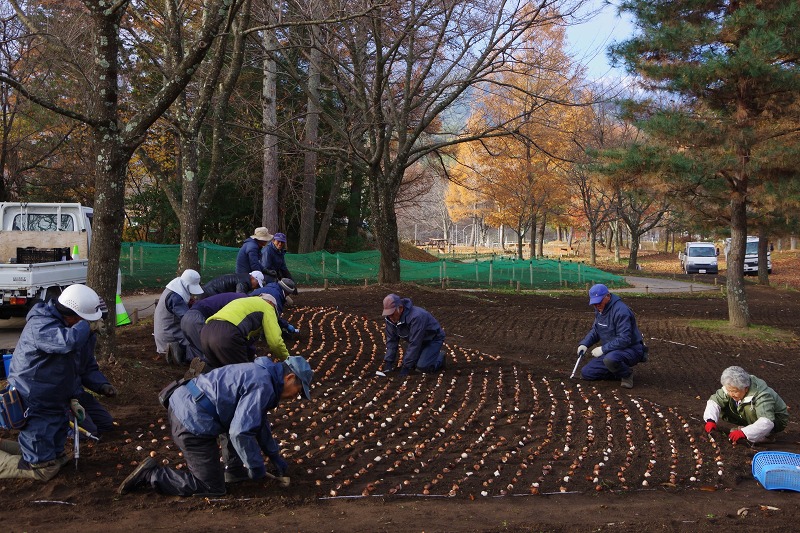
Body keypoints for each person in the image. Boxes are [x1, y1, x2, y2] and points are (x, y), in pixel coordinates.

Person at [117, 355, 313, 497]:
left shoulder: (261, 374)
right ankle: (152, 475)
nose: (295, 397)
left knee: (239, 422)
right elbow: (240, 432)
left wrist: (274, 456)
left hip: (187, 399)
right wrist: (255, 466)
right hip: (191, 419)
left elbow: (257, 422)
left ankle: (234, 470)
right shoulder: (263, 385)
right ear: (289, 378)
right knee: (211, 487)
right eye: (298, 391)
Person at [1, 284, 103, 481]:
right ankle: (33, 461)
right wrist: (85, 326)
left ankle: (36, 455)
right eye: (82, 319)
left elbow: (72, 369)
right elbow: (68, 342)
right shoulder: (41, 324)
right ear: (71, 315)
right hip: (33, 401)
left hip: (53, 400)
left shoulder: (63, 325)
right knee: (43, 468)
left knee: (56, 457)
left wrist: (73, 397)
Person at [576, 284, 645, 389]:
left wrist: (603, 349)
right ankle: (617, 371)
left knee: (610, 359)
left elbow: (624, 339)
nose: (597, 305)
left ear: (608, 296)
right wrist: (585, 344)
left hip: (631, 349)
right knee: (587, 373)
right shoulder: (599, 309)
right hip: (612, 350)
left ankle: (627, 374)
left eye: (599, 302)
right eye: (594, 303)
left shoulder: (621, 311)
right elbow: (596, 330)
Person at [703, 365, 789, 444]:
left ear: (746, 389)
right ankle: (749, 428)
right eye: (729, 390)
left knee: (749, 409)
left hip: (776, 420)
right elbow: (715, 401)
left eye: (735, 391)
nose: (731, 394)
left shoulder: (762, 396)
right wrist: (710, 420)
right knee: (722, 405)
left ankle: (767, 435)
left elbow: (767, 421)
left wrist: (744, 433)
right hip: (753, 415)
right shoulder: (733, 385)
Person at [200, 294, 289, 369]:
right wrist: (287, 360)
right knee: (245, 374)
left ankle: (202, 373)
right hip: (226, 334)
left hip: (206, 332)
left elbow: (246, 341)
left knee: (218, 372)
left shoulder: (247, 302)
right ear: (271, 303)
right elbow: (275, 342)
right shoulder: (268, 307)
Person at [73, 297, 117, 437]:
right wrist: (69, 400)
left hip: (76, 392)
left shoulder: (89, 337)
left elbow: (87, 367)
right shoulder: (67, 339)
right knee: (88, 433)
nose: (102, 323)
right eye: (99, 319)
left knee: (105, 424)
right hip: (58, 396)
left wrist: (102, 385)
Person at [380, 293, 446, 376]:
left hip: (433, 339)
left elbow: (415, 342)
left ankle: (440, 357)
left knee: (422, 368)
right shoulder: (390, 319)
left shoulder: (417, 317)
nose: (390, 317)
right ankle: (426, 356)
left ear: (400, 308)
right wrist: (388, 363)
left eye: (392, 313)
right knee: (413, 364)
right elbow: (392, 340)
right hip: (420, 340)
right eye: (388, 314)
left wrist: (406, 367)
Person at [180, 292, 247, 370]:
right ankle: (208, 372)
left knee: (197, 346)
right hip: (197, 319)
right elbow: (237, 328)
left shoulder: (236, 296)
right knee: (211, 350)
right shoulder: (244, 301)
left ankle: (187, 361)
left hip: (187, 317)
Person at [154, 269, 204, 365]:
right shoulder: (175, 297)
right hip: (170, 335)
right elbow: (188, 320)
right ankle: (178, 354)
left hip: (166, 331)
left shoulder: (174, 289)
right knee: (196, 342)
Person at [250, 277, 299, 342]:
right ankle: (260, 337)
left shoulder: (273, 287)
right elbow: (275, 316)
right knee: (265, 319)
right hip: (251, 310)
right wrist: (286, 326)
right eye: (288, 293)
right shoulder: (276, 295)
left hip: (249, 304)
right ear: (286, 291)